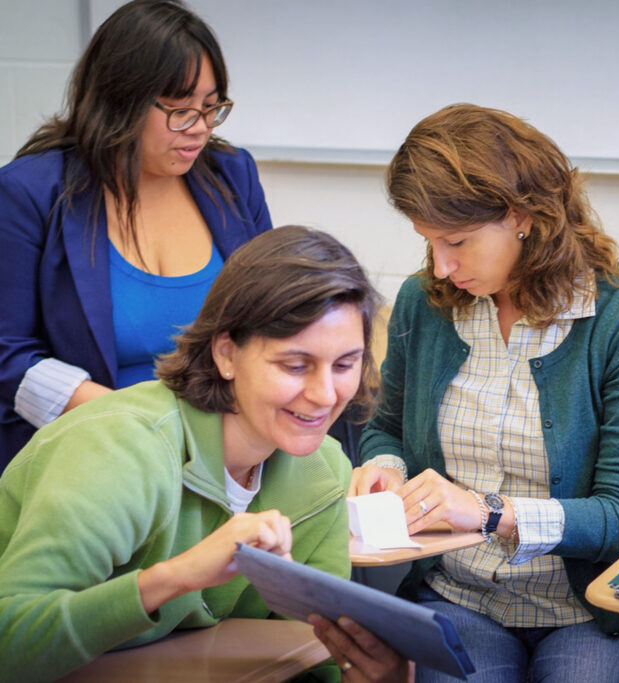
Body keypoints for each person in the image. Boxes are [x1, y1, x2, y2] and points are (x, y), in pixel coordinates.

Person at [349, 103, 619, 682]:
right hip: (458, 593)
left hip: (588, 610)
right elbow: (387, 428)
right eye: (429, 242)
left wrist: (489, 514)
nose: (443, 266)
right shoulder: (423, 304)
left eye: (457, 241)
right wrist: (385, 468)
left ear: (522, 216)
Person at [0, 226, 381, 680]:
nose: (324, 394)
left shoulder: (325, 472)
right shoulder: (120, 448)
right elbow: (10, 642)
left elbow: (317, 659)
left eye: (344, 365)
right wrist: (176, 577)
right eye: (294, 365)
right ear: (226, 354)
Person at [0, 0, 273, 468]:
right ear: (119, 100)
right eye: (181, 111)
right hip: (88, 455)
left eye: (211, 109)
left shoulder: (232, 175)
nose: (200, 130)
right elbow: (8, 356)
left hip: (222, 454)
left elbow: (274, 313)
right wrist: (141, 427)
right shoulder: (30, 193)